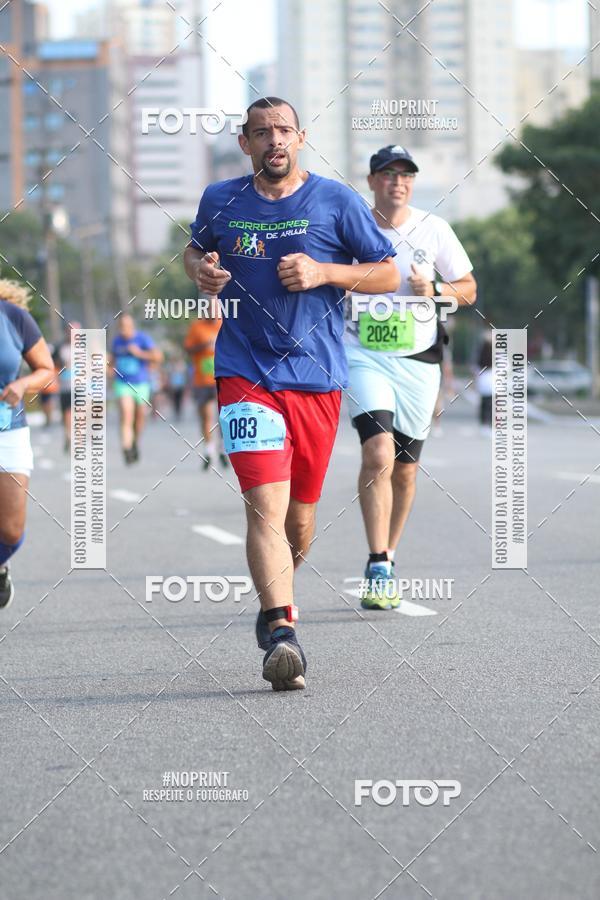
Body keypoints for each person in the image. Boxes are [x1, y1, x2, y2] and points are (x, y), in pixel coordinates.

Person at [184, 97, 399, 690]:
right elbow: (195, 250)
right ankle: (282, 631)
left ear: (300, 137)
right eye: (261, 133)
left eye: (283, 130)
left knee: (299, 520)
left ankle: (272, 596)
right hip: (244, 374)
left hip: (317, 377)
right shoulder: (220, 198)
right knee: (264, 506)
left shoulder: (334, 200)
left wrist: (326, 273)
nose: (273, 141)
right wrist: (199, 271)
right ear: (244, 142)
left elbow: (387, 271)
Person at [344, 145, 477, 609]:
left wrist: (435, 289)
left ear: (413, 183)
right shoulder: (351, 223)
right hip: (363, 354)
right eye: (387, 174)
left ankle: (390, 554)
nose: (397, 182)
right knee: (377, 452)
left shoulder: (434, 228)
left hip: (420, 360)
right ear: (372, 180)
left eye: (405, 175)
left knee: (405, 469)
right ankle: (377, 561)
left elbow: (469, 289)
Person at [0, 279, 54, 608]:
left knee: (10, 531)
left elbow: (46, 370)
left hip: (8, 431)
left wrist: (22, 384)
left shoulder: (13, 317)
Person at [109, 314, 162, 464]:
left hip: (141, 383)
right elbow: (111, 361)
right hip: (122, 383)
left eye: (126, 326)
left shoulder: (143, 339)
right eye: (121, 326)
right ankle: (126, 448)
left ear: (132, 326)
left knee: (140, 416)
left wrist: (139, 353)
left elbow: (158, 357)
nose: (123, 330)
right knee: (126, 414)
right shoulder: (117, 341)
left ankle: (134, 443)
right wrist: (109, 370)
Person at [183, 299, 227, 469]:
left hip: (222, 377)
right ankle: (209, 450)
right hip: (202, 379)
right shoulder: (197, 326)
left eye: (216, 309)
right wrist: (204, 346)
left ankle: (223, 449)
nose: (213, 312)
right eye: (209, 309)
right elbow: (187, 349)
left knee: (223, 416)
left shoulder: (225, 324)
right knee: (206, 416)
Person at [53, 320, 81, 452]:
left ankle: (78, 440)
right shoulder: (60, 348)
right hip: (65, 386)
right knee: (67, 414)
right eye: (70, 331)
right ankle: (68, 436)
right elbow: (53, 366)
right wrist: (63, 368)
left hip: (81, 386)